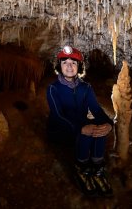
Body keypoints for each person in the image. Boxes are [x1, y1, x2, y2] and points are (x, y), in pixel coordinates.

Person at [46, 45, 114, 197]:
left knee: (99, 127)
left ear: (79, 66)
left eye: (73, 63)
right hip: (60, 130)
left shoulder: (86, 87)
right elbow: (58, 116)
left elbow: (96, 110)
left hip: (79, 126)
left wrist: (109, 124)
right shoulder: (53, 89)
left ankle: (97, 169)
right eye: (65, 62)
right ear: (59, 66)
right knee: (86, 130)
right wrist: (80, 129)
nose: (69, 66)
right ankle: (81, 168)